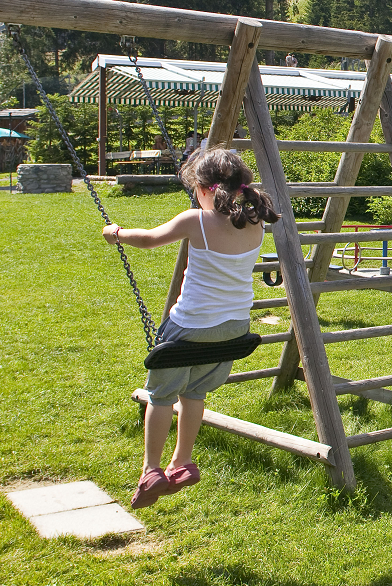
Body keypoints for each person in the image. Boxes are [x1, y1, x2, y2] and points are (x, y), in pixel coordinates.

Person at [102, 148, 279, 508]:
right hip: (233, 328)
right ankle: (182, 460)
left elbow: (149, 239)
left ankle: (152, 468)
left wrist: (116, 233)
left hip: (191, 326)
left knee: (162, 396)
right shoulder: (256, 223)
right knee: (194, 394)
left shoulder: (195, 221)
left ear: (203, 189)